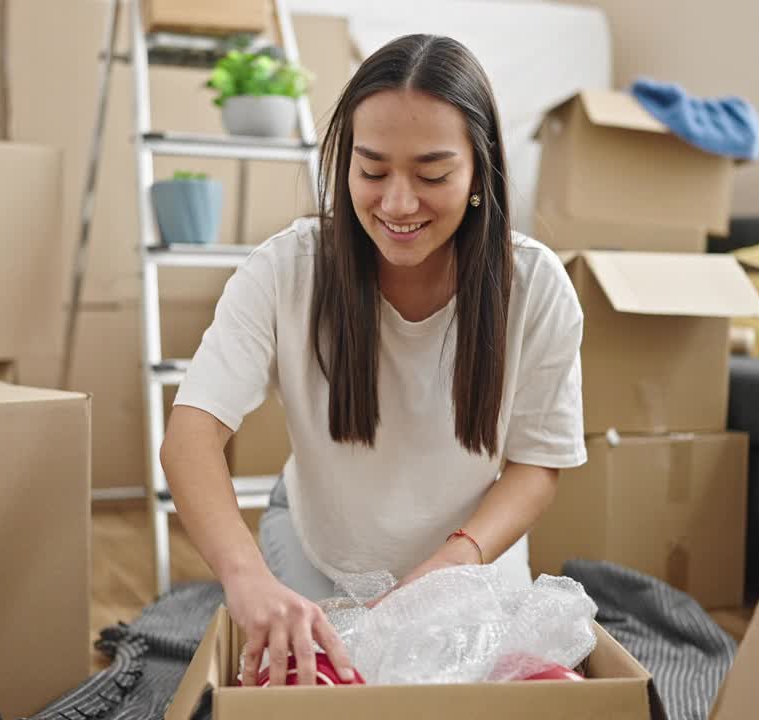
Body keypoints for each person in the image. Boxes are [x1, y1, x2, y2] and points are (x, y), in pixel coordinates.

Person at [159, 33, 586, 688]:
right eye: (373, 169)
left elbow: (538, 463)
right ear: (345, 163)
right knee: (328, 684)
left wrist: (452, 565)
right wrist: (246, 579)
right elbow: (190, 436)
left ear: (480, 170)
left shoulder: (536, 286)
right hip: (325, 552)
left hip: (472, 559)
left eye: (433, 174)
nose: (397, 203)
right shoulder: (287, 269)